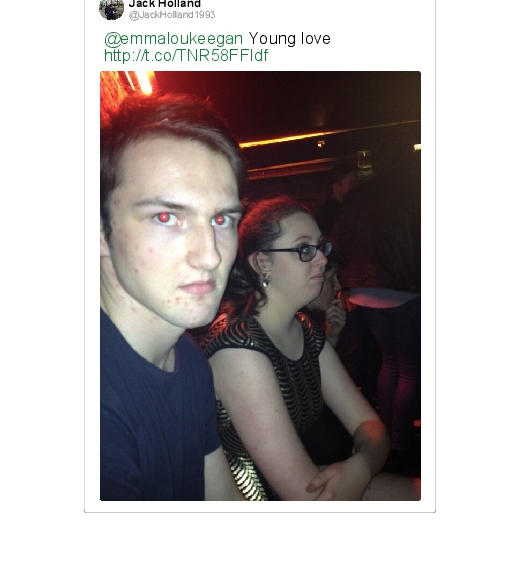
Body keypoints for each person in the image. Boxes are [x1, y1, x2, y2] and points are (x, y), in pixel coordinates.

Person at [202, 196, 420, 501]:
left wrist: (360, 467)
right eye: (304, 249)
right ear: (262, 263)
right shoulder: (238, 346)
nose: (322, 260)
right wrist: (361, 466)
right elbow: (302, 494)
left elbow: (371, 427)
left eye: (320, 247)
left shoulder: (304, 328)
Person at [100, 91, 248, 501]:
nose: (210, 256)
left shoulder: (187, 359)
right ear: (98, 232)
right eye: (166, 217)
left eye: (221, 219)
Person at [333, 136, 421, 457]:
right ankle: (399, 443)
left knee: (390, 362)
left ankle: (384, 440)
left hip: (364, 290)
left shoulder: (357, 196)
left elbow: (340, 242)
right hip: (403, 286)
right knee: (409, 367)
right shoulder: (414, 189)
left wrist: (346, 285)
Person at [316, 161, 358, 238]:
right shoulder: (336, 214)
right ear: (336, 188)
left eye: (357, 183)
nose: (356, 188)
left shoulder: (330, 211)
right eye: (352, 184)